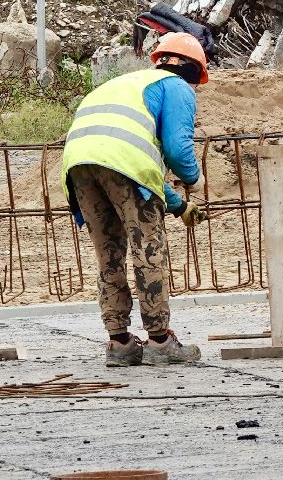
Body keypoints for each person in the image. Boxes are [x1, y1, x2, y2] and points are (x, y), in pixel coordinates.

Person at [61, 32, 210, 367]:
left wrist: (179, 206)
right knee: (148, 250)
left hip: (78, 162)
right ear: (193, 70)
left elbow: (138, 167)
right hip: (121, 162)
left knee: (109, 252)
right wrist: (193, 180)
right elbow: (175, 148)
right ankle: (160, 342)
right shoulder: (176, 87)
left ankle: (120, 343)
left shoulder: (126, 84)